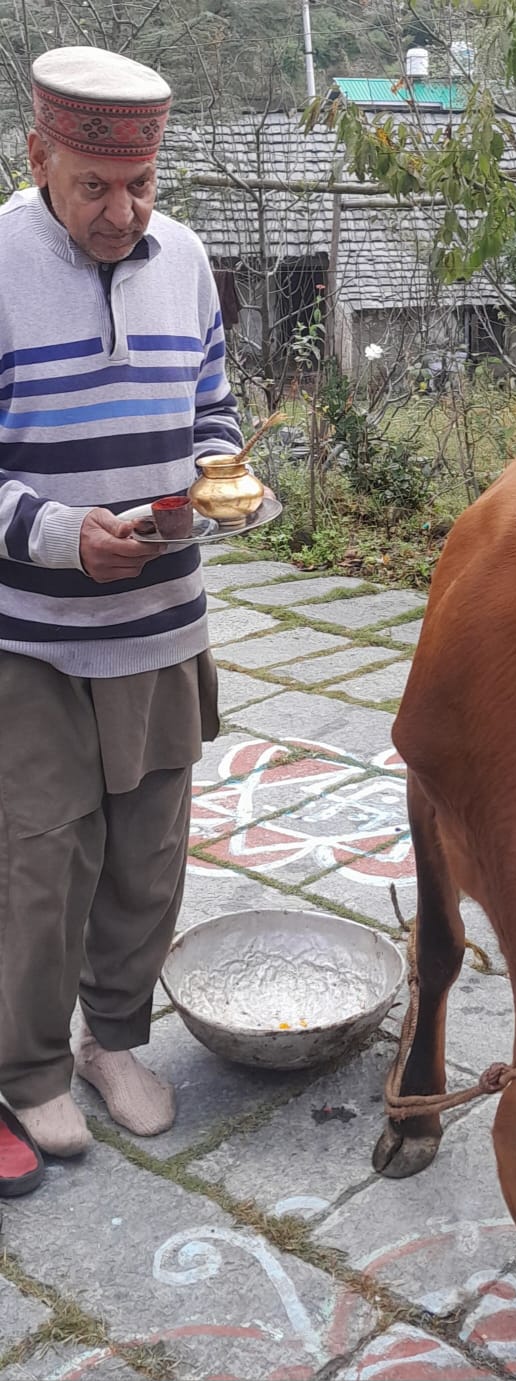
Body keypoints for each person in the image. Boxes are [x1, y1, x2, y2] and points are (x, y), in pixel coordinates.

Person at [0, 46, 243, 1192]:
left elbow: (212, 406)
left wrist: (224, 474)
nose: (123, 210)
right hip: (32, 629)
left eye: (140, 183)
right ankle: (32, 1065)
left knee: (149, 849)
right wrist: (59, 533)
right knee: (43, 857)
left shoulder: (185, 259)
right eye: (95, 185)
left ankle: (116, 1040)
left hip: (161, 615)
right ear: (38, 154)